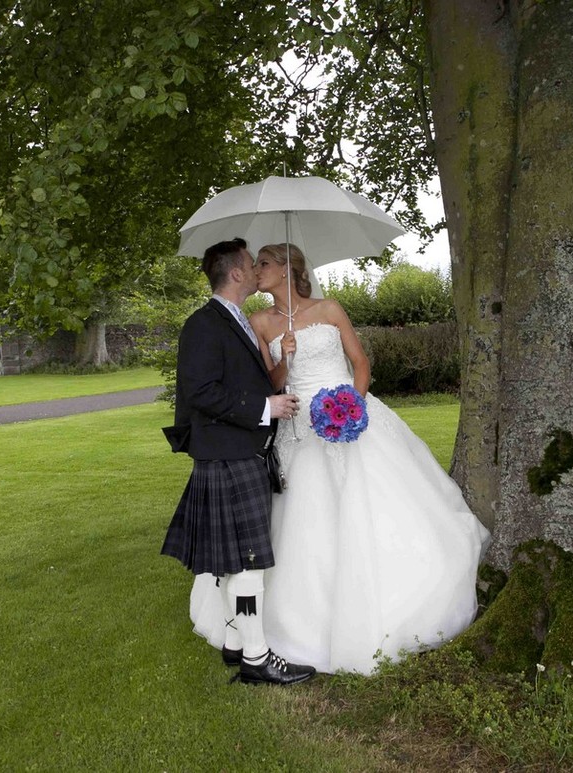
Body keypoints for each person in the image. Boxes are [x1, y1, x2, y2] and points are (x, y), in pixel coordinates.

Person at [190, 242, 491, 675]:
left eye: (265, 263)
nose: (257, 270)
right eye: (254, 265)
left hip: (348, 412)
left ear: (289, 269)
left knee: (377, 504)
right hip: (297, 424)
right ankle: (281, 627)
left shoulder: (330, 309)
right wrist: (284, 359)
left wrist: (353, 405)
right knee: (301, 517)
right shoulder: (258, 322)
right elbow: (269, 383)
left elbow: (360, 362)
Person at [161, 238, 316, 685]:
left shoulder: (234, 322)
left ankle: (236, 643)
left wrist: (281, 365)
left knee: (237, 559)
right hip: (228, 455)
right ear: (235, 273)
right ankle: (256, 657)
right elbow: (201, 392)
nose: (255, 269)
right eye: (251, 264)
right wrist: (264, 409)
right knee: (247, 562)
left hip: (238, 453)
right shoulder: (205, 324)